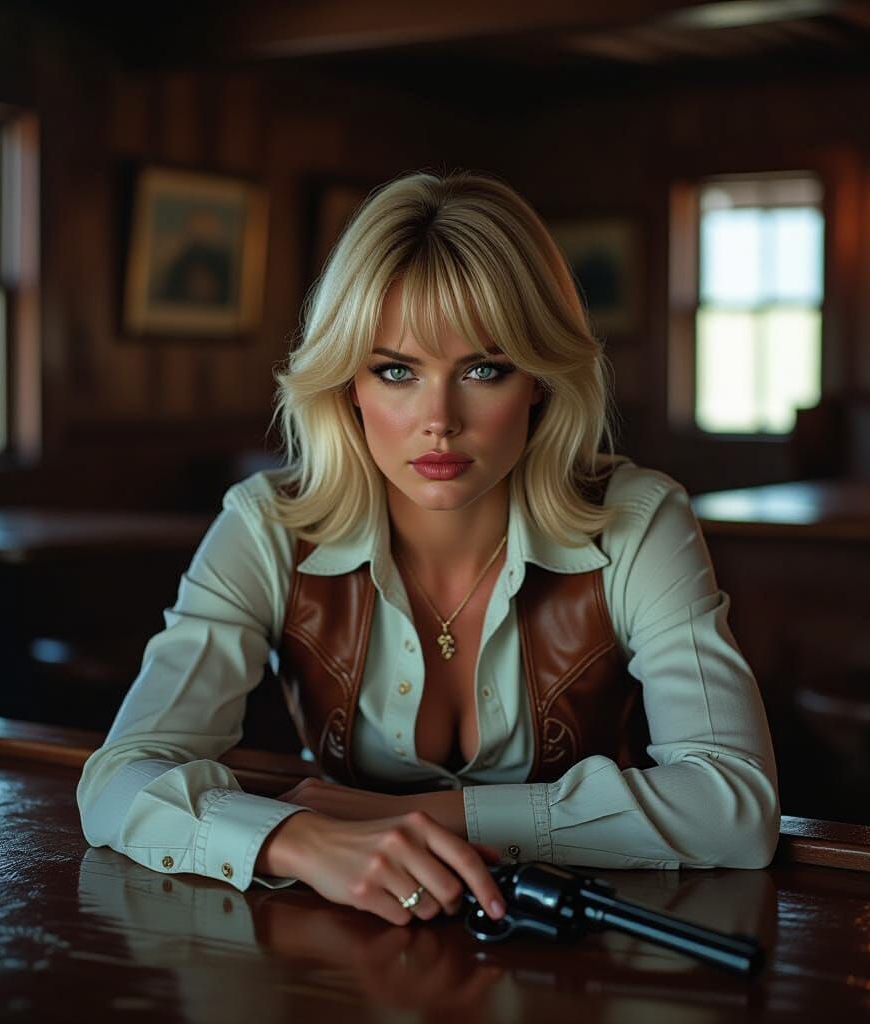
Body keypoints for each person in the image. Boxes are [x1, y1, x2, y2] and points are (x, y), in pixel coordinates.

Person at [77, 169, 780, 929]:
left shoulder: (636, 521)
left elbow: (734, 803)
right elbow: (117, 780)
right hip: (345, 940)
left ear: (540, 380)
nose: (439, 419)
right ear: (348, 383)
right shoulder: (267, 526)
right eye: (396, 370)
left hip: (579, 946)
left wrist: (437, 817)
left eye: (484, 369)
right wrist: (298, 840)